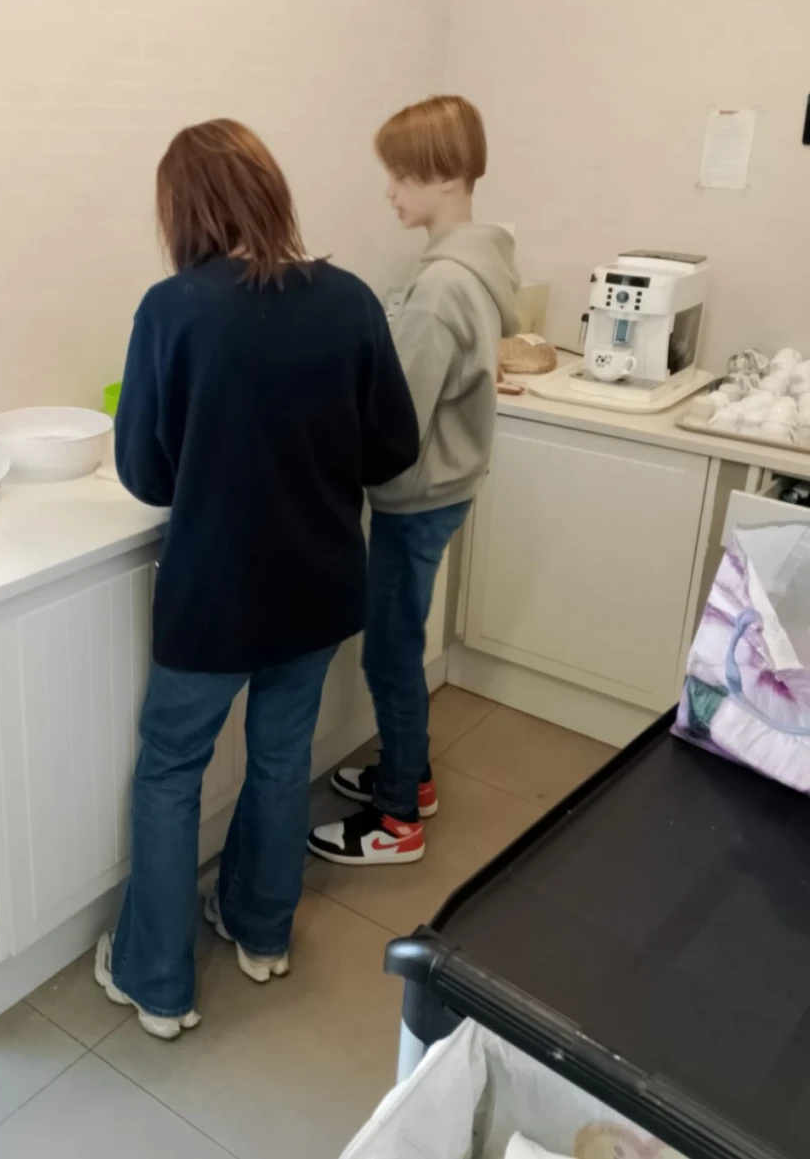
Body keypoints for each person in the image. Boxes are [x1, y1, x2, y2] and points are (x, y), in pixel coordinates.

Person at [94, 119, 419, 1038]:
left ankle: (156, 981)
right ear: (269, 191)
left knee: (171, 770)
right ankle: (260, 929)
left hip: (215, 597)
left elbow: (145, 474)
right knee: (282, 758)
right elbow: (393, 447)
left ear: (183, 210)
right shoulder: (350, 300)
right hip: (317, 587)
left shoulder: (172, 310)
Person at [308, 95, 520, 868]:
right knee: (400, 639)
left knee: (391, 652)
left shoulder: (439, 287)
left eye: (400, 175)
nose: (389, 191)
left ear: (445, 175)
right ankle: (413, 774)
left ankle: (399, 816)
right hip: (447, 486)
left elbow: (396, 419)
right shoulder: (476, 267)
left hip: (416, 496)